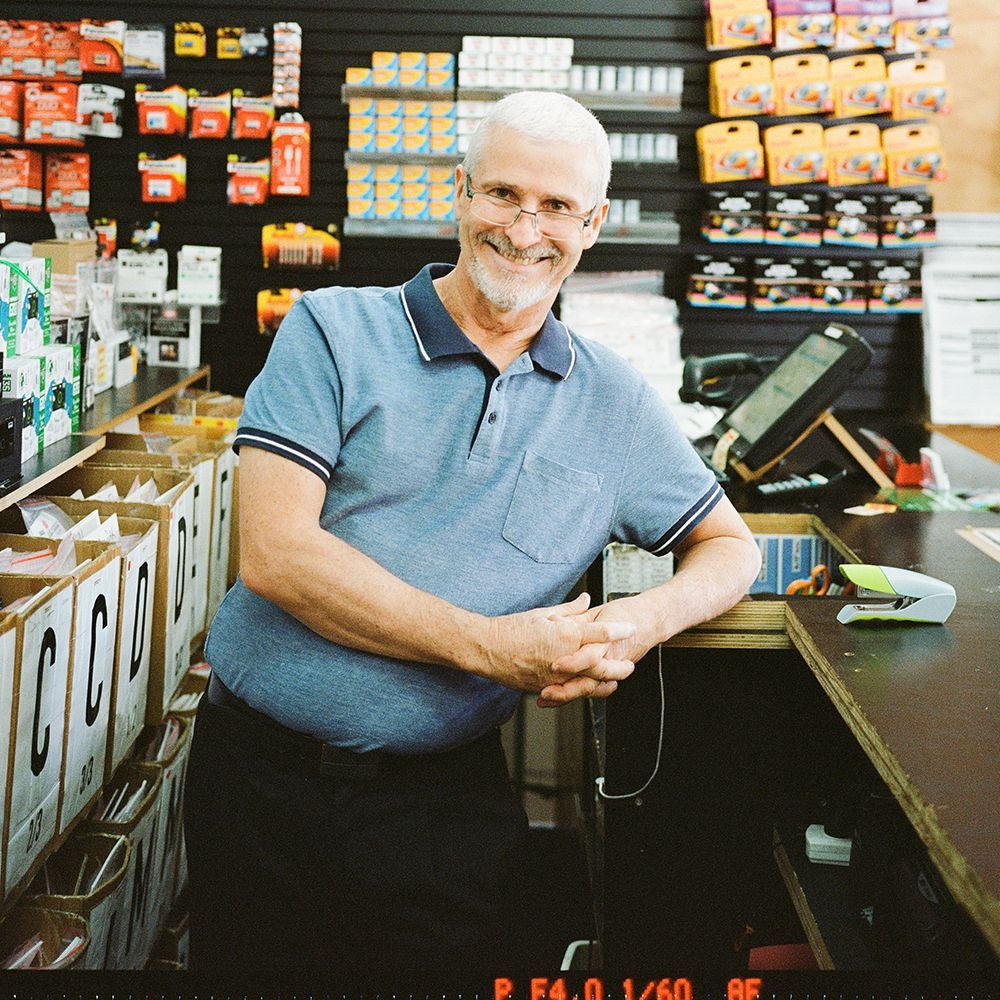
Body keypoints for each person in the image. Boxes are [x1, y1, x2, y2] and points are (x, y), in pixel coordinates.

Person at [183, 90, 762, 973]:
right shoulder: (333, 330)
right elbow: (274, 554)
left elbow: (731, 547)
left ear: (594, 224)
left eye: (559, 206)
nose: (525, 228)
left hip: (445, 810)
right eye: (502, 194)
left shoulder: (614, 402)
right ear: (460, 193)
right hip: (263, 788)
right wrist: (491, 650)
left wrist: (630, 627)